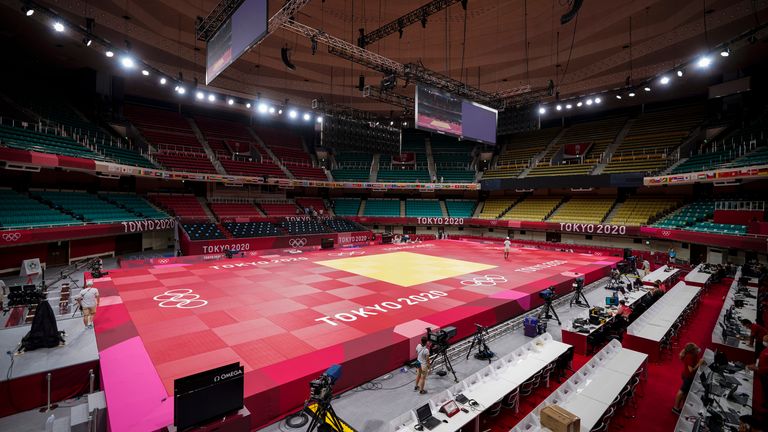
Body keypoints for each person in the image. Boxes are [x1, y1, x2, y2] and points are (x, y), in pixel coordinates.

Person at [673, 342, 704, 415]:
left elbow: (699, 351)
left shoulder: (694, 354)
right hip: (688, 376)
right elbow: (691, 370)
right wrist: (699, 363)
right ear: (692, 351)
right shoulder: (689, 357)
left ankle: (682, 406)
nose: (698, 348)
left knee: (685, 392)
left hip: (689, 376)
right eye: (696, 348)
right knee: (682, 391)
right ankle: (675, 408)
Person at [746, 333, 768, 410]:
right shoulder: (765, 349)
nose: (763, 342)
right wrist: (754, 365)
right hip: (761, 373)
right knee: (764, 389)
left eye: (765, 341)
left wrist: (758, 369)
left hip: (765, 373)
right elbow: (760, 359)